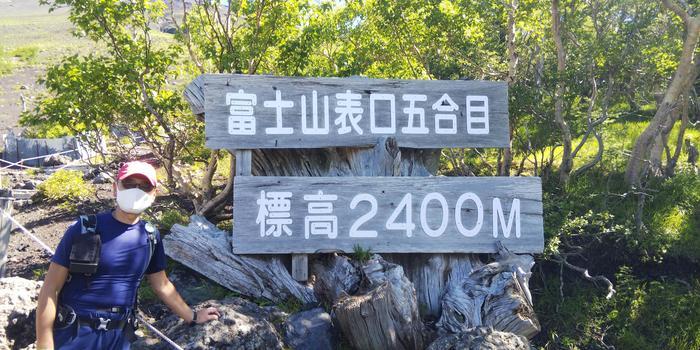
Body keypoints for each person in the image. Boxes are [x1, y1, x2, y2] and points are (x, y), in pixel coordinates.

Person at [35, 161, 220, 349]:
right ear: (115, 188)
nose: (136, 191)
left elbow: (162, 284)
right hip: (75, 335)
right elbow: (51, 288)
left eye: (144, 186)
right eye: (129, 184)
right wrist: (44, 342)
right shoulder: (85, 229)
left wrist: (193, 316)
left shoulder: (150, 236)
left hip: (119, 337)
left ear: (154, 193)